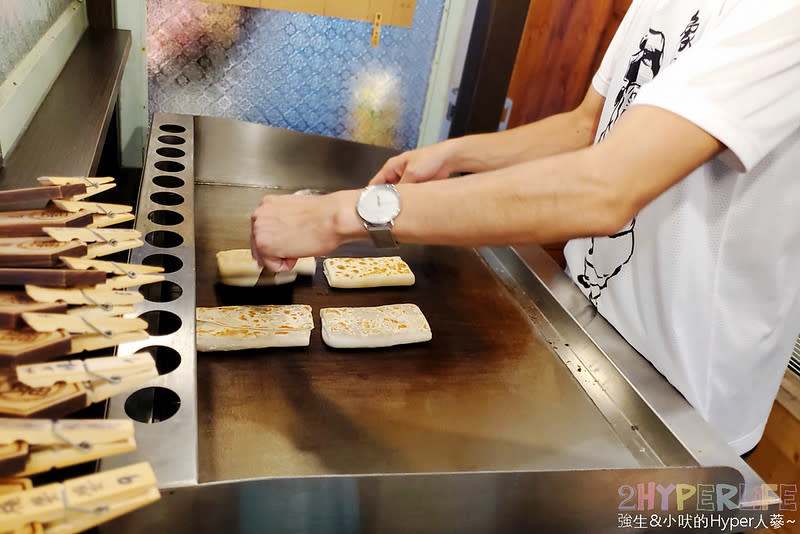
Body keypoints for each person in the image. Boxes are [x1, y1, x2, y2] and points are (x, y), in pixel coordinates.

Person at [251, 0, 800, 455]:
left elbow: (607, 187)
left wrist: (343, 213)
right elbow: (590, 126)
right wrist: (454, 155)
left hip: (687, 407)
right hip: (587, 336)